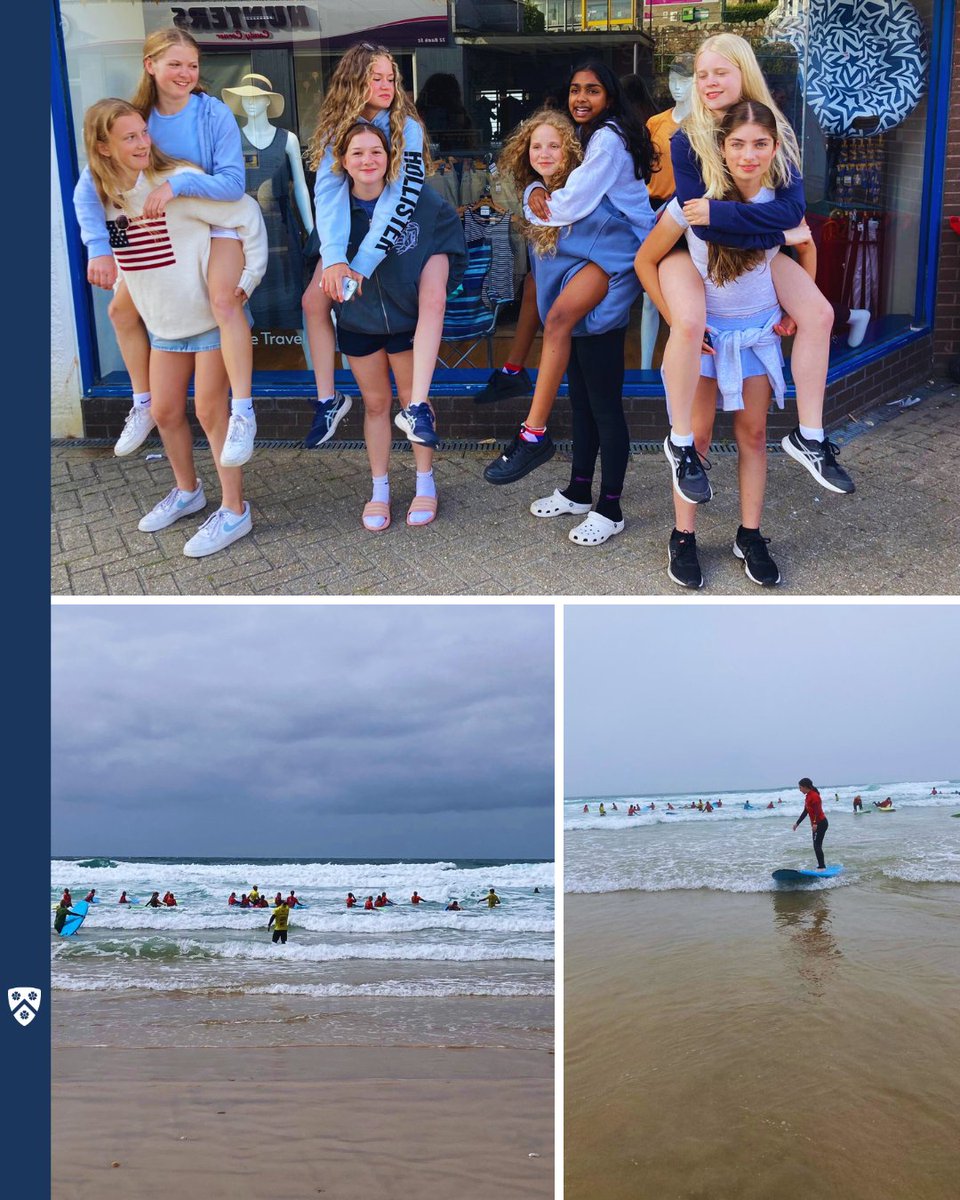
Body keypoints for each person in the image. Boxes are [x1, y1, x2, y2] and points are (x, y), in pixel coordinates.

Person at [656, 33, 854, 506]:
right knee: (688, 328)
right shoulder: (687, 139)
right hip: (693, 254)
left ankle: (809, 435)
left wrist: (732, 217)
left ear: (744, 72)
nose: (709, 82)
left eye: (720, 72)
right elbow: (701, 226)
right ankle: (680, 444)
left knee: (820, 315)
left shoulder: (774, 130)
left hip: (758, 253)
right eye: (702, 74)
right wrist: (776, 234)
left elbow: (791, 211)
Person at [81, 98, 267, 558]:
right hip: (165, 327)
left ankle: (235, 510)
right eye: (130, 137)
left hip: (209, 323)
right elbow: (126, 253)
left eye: (144, 132)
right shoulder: (106, 197)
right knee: (164, 412)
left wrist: (248, 279)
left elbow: (245, 213)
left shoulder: (175, 182)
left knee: (210, 412)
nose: (143, 142)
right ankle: (188, 492)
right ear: (103, 148)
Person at [636, 101, 811, 588]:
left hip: (756, 336)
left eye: (760, 144)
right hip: (707, 341)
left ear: (775, 149)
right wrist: (678, 323)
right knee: (696, 439)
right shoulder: (694, 205)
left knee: (754, 436)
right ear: (721, 148)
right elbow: (645, 261)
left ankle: (749, 535)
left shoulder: (778, 205)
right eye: (738, 144)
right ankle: (683, 536)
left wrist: (795, 310)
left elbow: (805, 247)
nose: (749, 155)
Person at [72, 28, 258, 466]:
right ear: (150, 65)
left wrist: (178, 185)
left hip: (213, 223)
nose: (185, 73)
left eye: (192, 65)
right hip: (158, 234)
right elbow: (94, 188)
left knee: (222, 301)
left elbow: (234, 184)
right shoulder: (133, 117)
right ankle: (142, 401)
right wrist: (100, 248)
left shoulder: (212, 114)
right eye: (175, 64)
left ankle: (243, 412)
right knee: (120, 312)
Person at [483, 63, 656, 486]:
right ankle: (578, 490)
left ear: (609, 96)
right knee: (582, 399)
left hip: (620, 250)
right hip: (603, 251)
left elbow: (573, 203)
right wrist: (534, 187)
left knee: (598, 396)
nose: (581, 97)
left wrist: (533, 199)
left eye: (592, 90)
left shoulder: (607, 139)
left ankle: (536, 435)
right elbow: (560, 184)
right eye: (576, 89)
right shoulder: (587, 136)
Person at [303, 44, 442, 451]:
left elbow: (400, 200)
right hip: (350, 228)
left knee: (428, 303)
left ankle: (416, 409)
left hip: (406, 226)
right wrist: (334, 258)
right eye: (375, 78)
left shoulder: (406, 127)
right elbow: (328, 193)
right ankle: (328, 400)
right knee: (313, 302)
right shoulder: (335, 127)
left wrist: (360, 264)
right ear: (354, 81)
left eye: (390, 78)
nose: (386, 86)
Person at [328, 121, 465, 529]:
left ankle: (425, 483)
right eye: (357, 153)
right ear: (343, 161)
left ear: (391, 158)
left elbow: (449, 249)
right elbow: (321, 262)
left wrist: (426, 290)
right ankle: (380, 489)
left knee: (413, 401)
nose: (367, 160)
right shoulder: (334, 208)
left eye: (376, 151)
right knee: (374, 404)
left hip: (407, 321)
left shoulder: (420, 200)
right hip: (359, 322)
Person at [794, 777, 829, 869]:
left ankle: (822, 867)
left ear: (805, 787)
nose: (800, 789)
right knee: (816, 845)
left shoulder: (814, 796)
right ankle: (821, 865)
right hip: (817, 823)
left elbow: (817, 811)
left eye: (800, 787)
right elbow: (805, 811)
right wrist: (797, 823)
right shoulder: (808, 796)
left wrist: (815, 823)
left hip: (820, 823)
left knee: (817, 845)